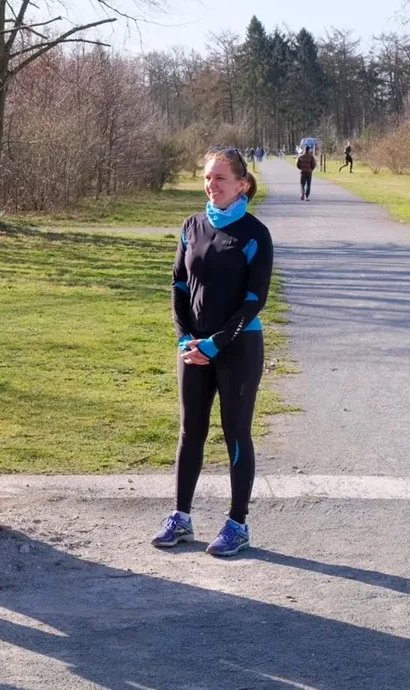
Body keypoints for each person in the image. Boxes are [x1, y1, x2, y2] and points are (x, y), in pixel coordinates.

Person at [153, 147, 274, 557]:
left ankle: (237, 524)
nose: (212, 185)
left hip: (238, 347)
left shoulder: (255, 234)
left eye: (220, 179)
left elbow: (254, 300)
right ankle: (180, 518)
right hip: (192, 348)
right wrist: (185, 337)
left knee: (235, 433)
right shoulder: (191, 225)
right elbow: (179, 286)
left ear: (241, 184)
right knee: (191, 432)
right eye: (207, 178)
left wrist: (215, 343)